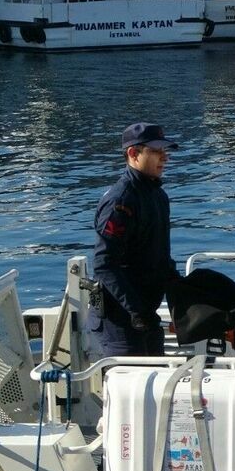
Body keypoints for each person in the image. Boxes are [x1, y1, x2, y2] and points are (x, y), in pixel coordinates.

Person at [90, 122, 180, 357]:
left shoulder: (158, 196)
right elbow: (104, 263)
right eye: (157, 152)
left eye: (165, 151)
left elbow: (157, 253)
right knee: (131, 386)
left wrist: (178, 286)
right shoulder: (121, 201)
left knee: (155, 382)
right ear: (133, 153)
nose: (165, 158)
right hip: (120, 319)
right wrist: (137, 311)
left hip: (146, 313)